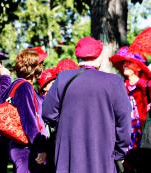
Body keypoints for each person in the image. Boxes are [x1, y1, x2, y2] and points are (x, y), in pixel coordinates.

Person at [42, 36, 132, 173]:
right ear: (100, 56)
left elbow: (48, 113)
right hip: (103, 155)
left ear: (78, 56)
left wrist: (66, 126)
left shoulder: (62, 79)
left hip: (69, 154)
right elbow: (124, 122)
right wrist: (119, 152)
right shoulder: (114, 82)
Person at [109, 46, 151, 173]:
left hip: (145, 139)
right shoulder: (120, 86)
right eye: (124, 62)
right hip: (124, 137)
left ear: (138, 66)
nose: (125, 64)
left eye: (129, 62)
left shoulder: (149, 86)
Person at [2, 48, 48, 173]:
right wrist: (40, 148)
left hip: (15, 145)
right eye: (41, 64)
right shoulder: (25, 87)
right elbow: (29, 121)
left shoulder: (15, 85)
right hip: (26, 149)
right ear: (35, 67)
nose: (43, 68)